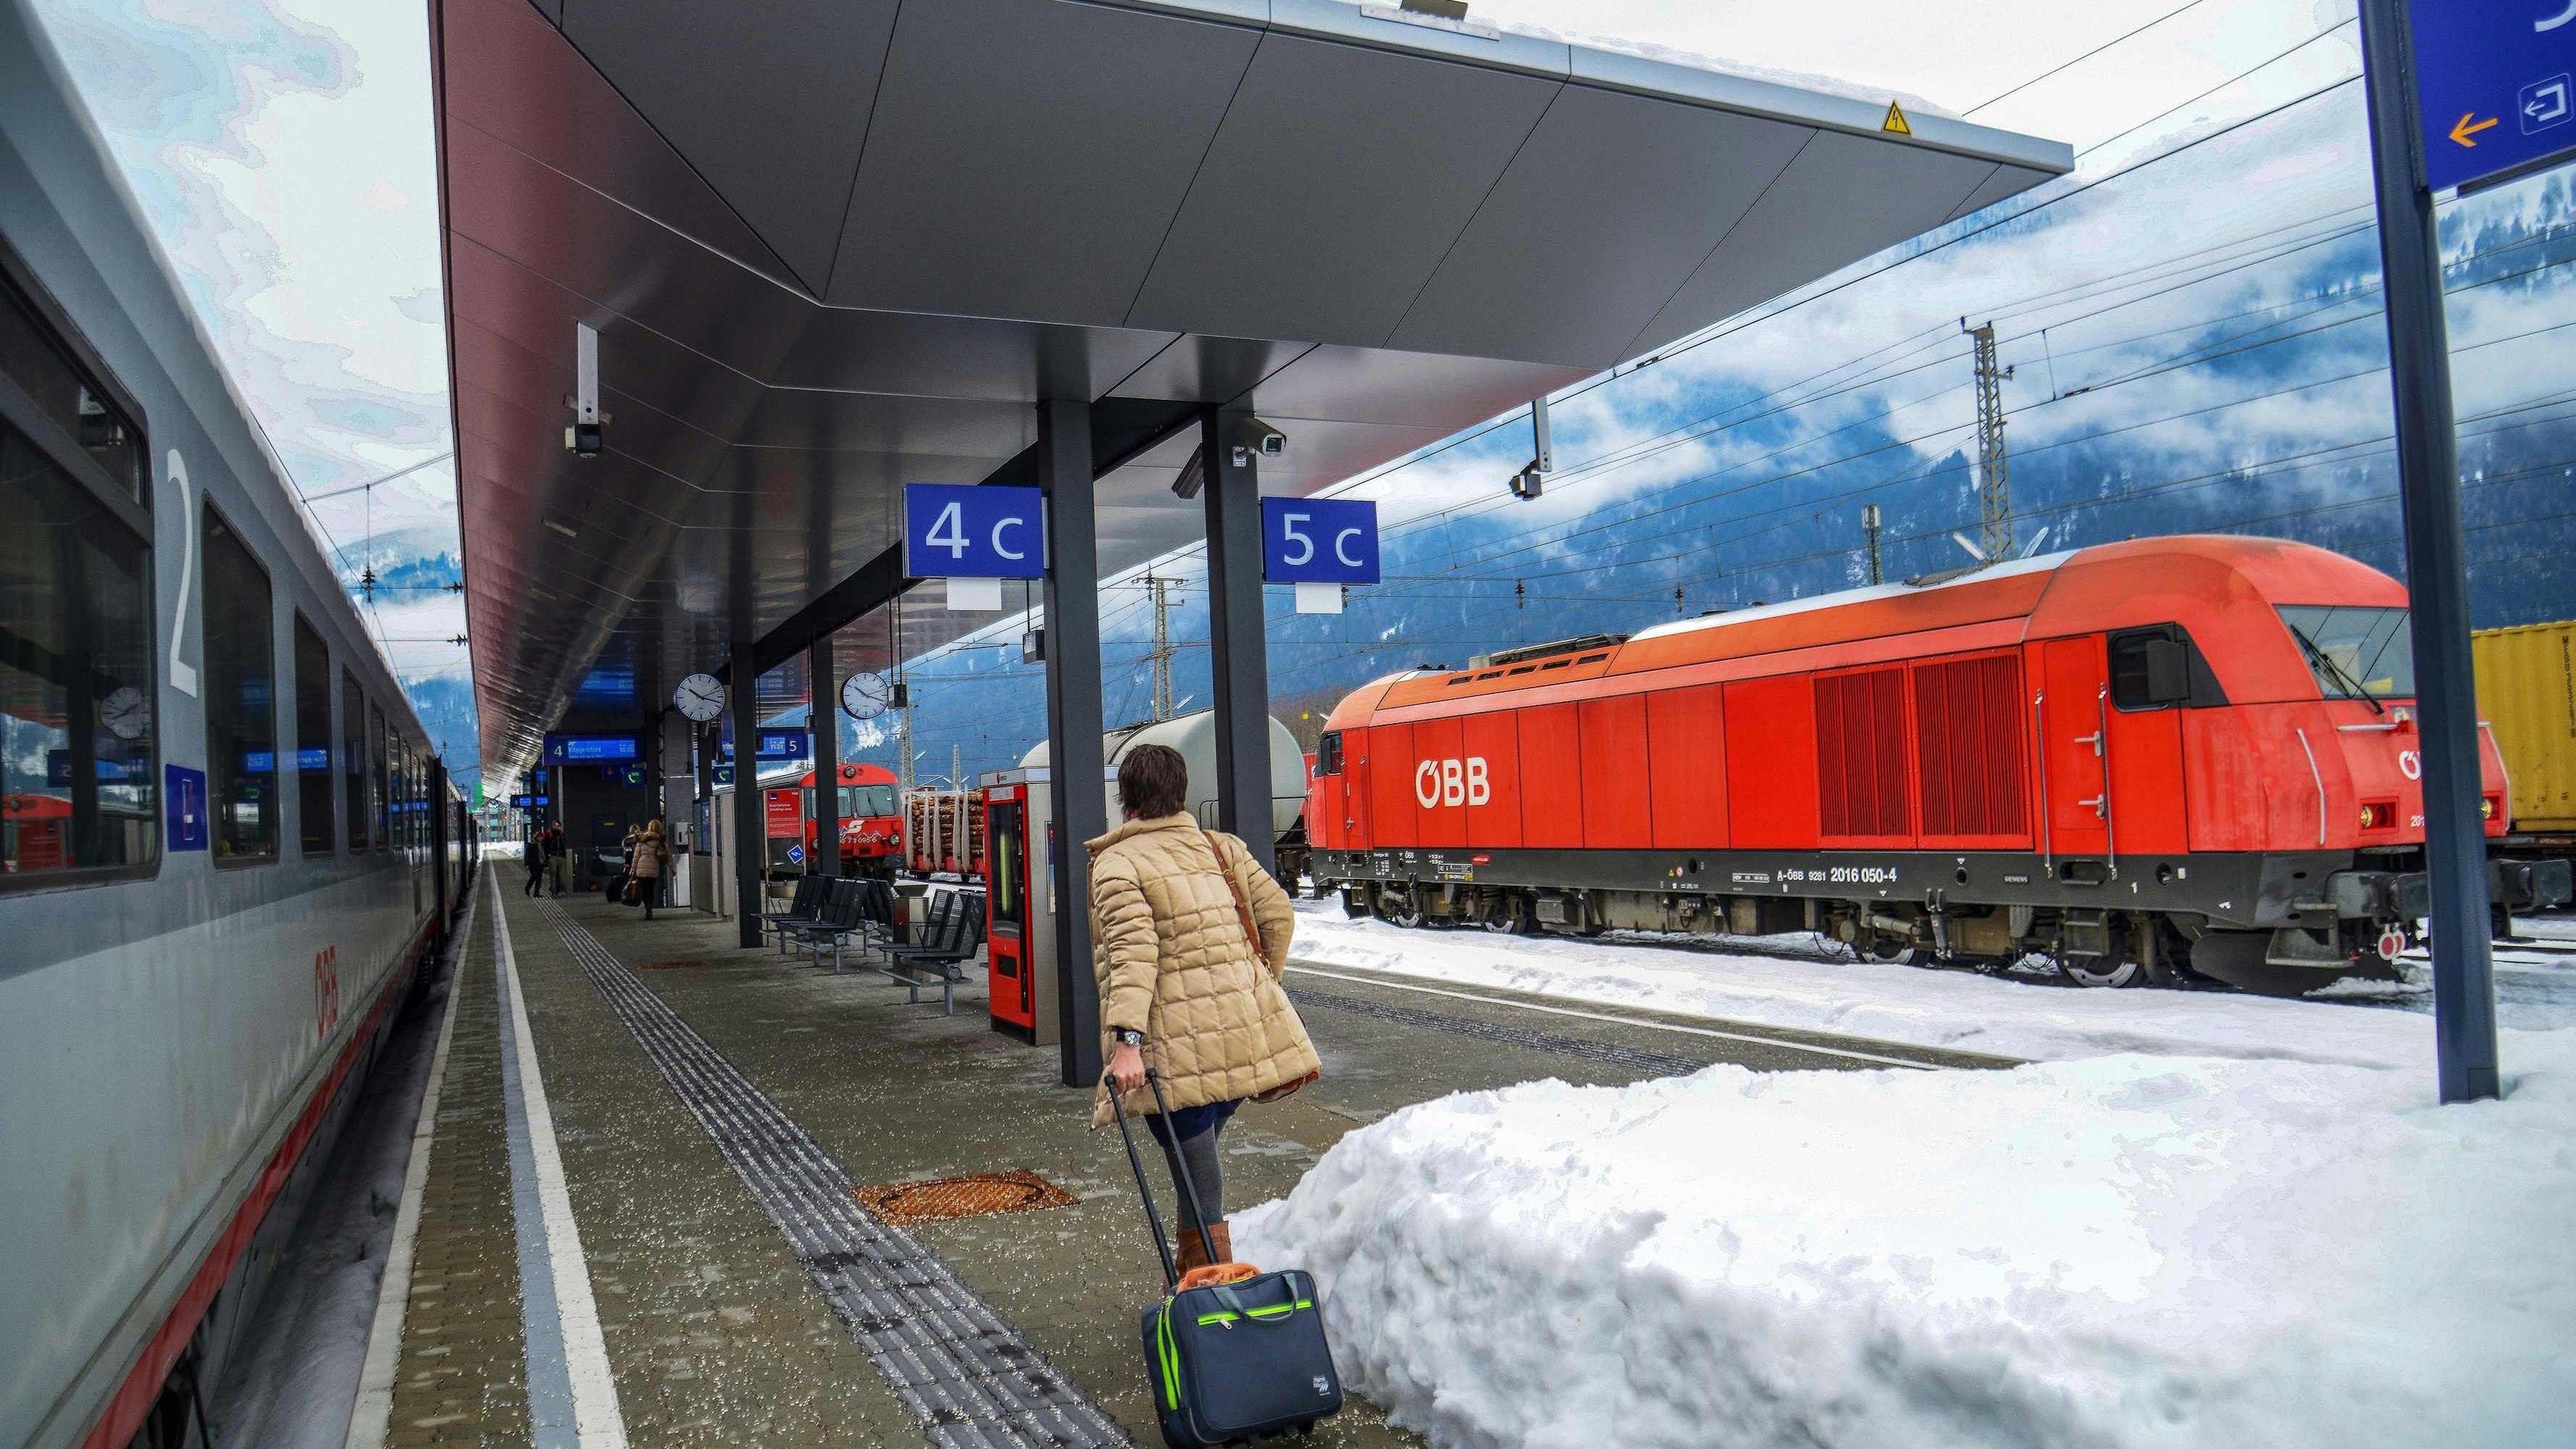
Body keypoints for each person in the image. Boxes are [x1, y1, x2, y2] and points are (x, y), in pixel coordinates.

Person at [1090, 744, 1319, 1274]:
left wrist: (1127, 1045)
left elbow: (1132, 953)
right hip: (1239, 1039)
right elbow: (1278, 915)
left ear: (1126, 797)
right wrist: (1257, 984)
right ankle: (1194, 1279)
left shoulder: (1118, 863)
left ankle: (1215, 1288)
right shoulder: (1221, 848)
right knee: (1193, 1171)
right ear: (1181, 791)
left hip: (1174, 1053)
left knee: (1198, 1181)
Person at [630, 819, 669, 919]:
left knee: (644, 891)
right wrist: (672, 868)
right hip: (653, 868)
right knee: (650, 890)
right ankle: (650, 909)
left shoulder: (642, 839)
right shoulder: (660, 841)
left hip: (641, 868)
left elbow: (636, 856)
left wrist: (633, 870)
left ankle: (648, 911)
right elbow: (666, 855)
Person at [522, 825, 547, 896]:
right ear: (536, 837)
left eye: (541, 837)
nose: (541, 838)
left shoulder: (542, 845)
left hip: (541, 863)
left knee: (539, 879)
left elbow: (544, 853)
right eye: (539, 837)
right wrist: (526, 864)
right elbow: (527, 855)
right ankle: (527, 888)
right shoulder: (531, 845)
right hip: (533, 864)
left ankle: (537, 893)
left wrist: (546, 861)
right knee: (534, 876)